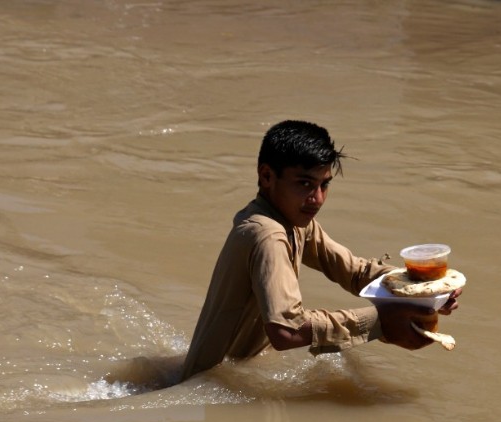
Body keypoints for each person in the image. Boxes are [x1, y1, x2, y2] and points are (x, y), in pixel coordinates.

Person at [172, 120, 460, 384]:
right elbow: (287, 331)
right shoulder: (267, 235)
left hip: (238, 376)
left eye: (324, 185)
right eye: (305, 184)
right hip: (211, 386)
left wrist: (422, 290)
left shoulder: (293, 222)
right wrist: (382, 321)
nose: (317, 199)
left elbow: (356, 272)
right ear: (266, 176)